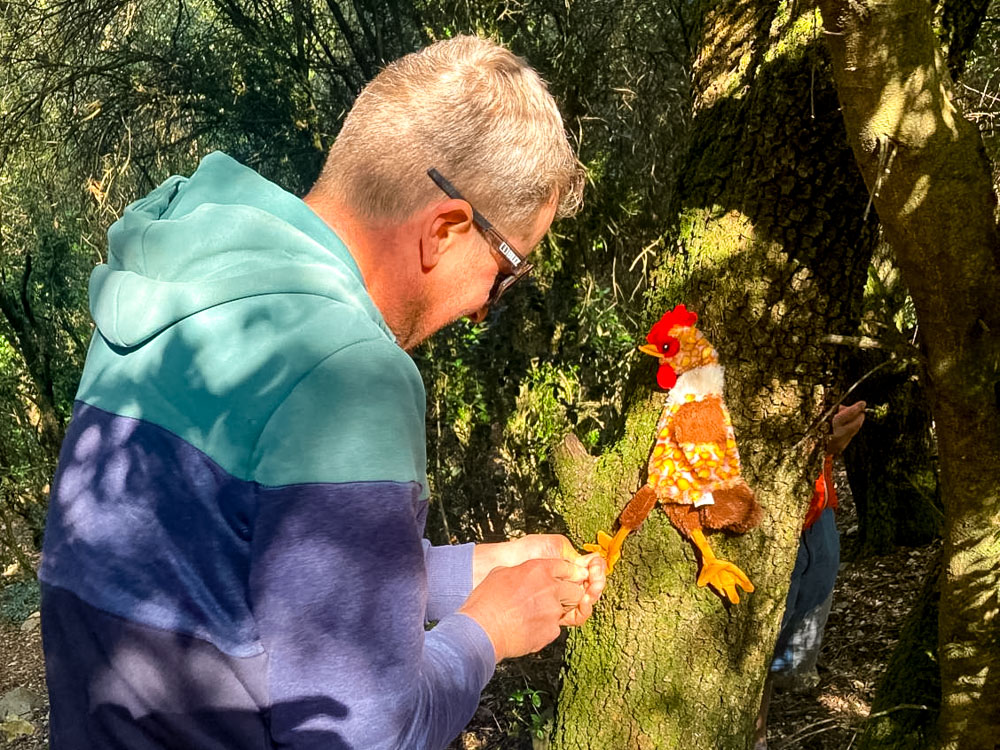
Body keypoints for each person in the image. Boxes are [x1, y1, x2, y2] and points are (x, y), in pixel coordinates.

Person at [39, 36, 606, 749]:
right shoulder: (347, 374)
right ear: (446, 229)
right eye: (507, 270)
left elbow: (252, 574)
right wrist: (489, 629)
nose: (483, 309)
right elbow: (370, 737)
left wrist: (477, 571)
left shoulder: (184, 278)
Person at [754, 401, 866, 749]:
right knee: (753, 651)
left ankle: (759, 734)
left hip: (818, 517)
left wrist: (834, 435)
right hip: (763, 523)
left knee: (782, 655)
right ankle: (755, 738)